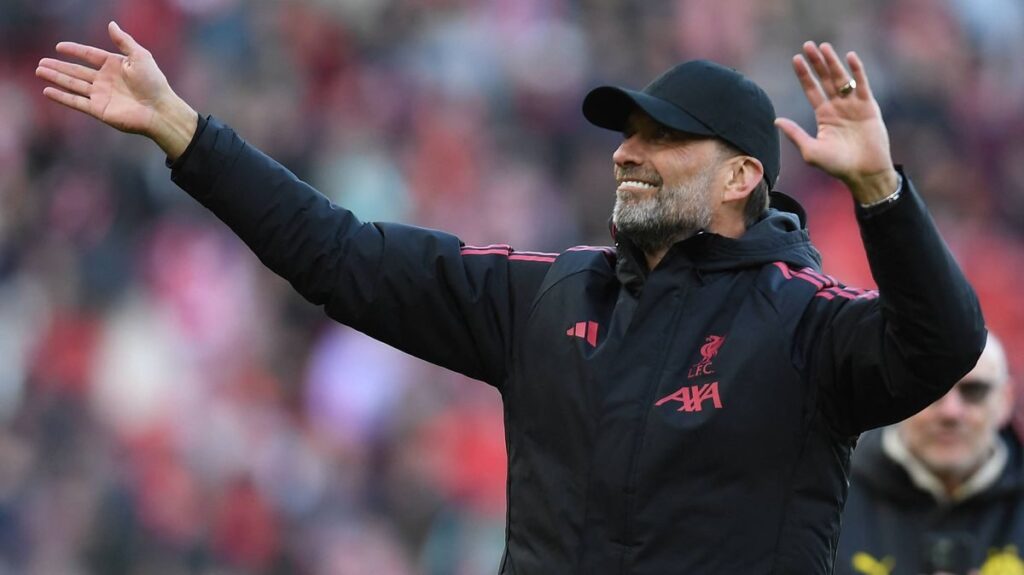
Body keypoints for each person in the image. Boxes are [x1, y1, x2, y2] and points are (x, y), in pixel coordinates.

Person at [36, 21, 986, 574]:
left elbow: (940, 346)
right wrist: (187, 136)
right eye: (627, 133)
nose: (627, 151)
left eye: (663, 138)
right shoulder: (547, 294)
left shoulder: (804, 320)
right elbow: (342, 257)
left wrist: (881, 194)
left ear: (742, 176)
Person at [836, 334, 1024, 575]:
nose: (951, 412)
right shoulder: (833, 494)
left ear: (1005, 400)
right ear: (896, 393)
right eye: (931, 390)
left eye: (974, 391)